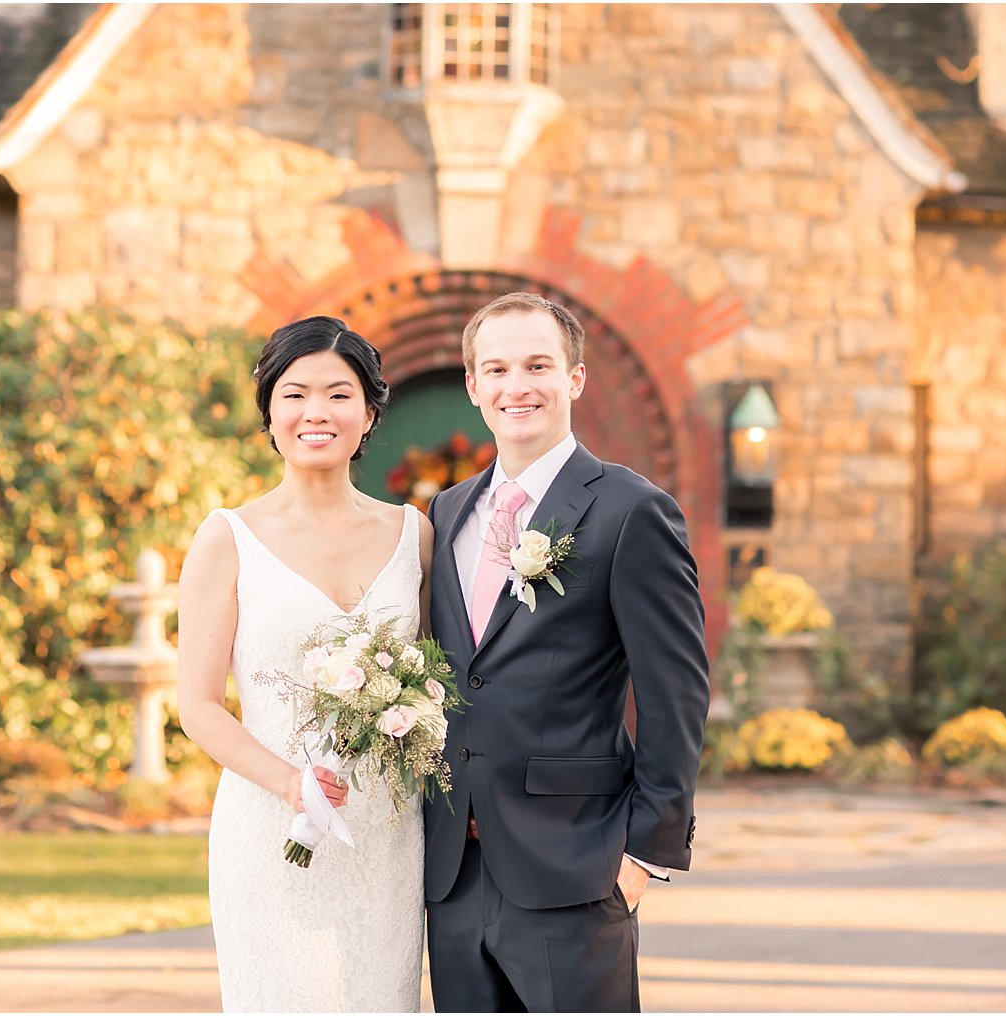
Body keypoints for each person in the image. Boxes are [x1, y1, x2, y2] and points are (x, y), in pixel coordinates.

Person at [423, 293, 710, 1012]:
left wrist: (645, 853)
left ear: (573, 380)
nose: (516, 386)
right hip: (456, 869)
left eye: (537, 365)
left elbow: (676, 693)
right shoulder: (446, 511)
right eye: (497, 368)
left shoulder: (630, 510)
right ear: (474, 386)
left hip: (574, 867)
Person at [177, 316, 433, 1012]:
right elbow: (197, 704)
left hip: (385, 830)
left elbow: (441, 679)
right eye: (294, 394)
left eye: (338, 394)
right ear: (269, 413)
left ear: (370, 410)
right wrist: (289, 782)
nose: (315, 412)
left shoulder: (414, 533)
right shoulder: (227, 537)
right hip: (271, 827)